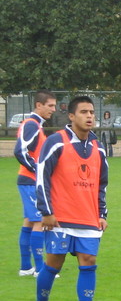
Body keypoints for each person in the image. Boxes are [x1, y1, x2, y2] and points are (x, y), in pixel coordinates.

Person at [32, 95, 110, 301]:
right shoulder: (56, 141)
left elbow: (101, 183)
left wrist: (102, 213)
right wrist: (46, 212)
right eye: (84, 112)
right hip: (60, 217)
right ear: (71, 116)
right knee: (54, 263)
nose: (89, 116)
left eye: (92, 112)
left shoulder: (98, 146)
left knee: (89, 261)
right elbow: (41, 175)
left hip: (87, 217)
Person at [15, 91, 58, 276]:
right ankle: (40, 269)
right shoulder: (31, 124)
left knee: (29, 222)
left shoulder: (36, 126)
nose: (53, 110)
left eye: (54, 106)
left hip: (29, 181)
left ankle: (26, 267)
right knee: (40, 221)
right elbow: (20, 151)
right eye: (50, 106)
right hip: (31, 181)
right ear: (38, 105)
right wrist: (38, 171)